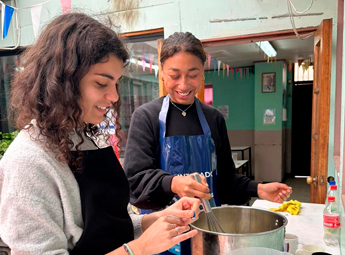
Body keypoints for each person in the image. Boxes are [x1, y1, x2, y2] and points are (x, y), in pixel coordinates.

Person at [0, 13, 201, 255]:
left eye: (115, 83)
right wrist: (137, 249)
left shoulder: (88, 136)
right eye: (101, 83)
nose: (114, 96)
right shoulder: (28, 161)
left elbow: (114, 226)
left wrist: (160, 218)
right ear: (62, 81)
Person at [123, 32, 292, 254]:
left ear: (202, 73)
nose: (183, 84)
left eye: (192, 75)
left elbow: (226, 181)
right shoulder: (146, 117)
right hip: (162, 235)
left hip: (208, 235)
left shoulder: (213, 118)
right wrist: (173, 183)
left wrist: (259, 188)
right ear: (162, 73)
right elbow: (135, 181)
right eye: (174, 75)